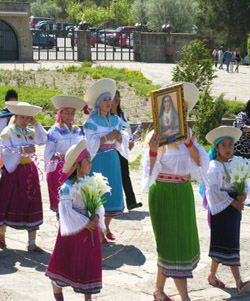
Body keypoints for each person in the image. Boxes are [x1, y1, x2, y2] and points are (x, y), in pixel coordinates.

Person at [142, 82, 209, 301]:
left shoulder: (188, 133)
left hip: (182, 193)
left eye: (187, 109)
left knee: (175, 243)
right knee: (172, 244)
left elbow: (200, 164)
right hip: (163, 192)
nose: (185, 113)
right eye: (182, 108)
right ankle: (185, 298)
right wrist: (152, 151)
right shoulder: (156, 135)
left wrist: (190, 145)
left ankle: (159, 291)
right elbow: (148, 173)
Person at [46, 139, 105, 301]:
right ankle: (57, 287)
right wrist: (85, 222)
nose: (90, 163)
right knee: (67, 263)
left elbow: (98, 202)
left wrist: (98, 216)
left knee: (88, 265)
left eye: (89, 160)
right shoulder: (67, 188)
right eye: (86, 160)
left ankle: (88, 297)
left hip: (89, 232)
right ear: (77, 164)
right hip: (73, 233)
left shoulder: (90, 182)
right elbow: (65, 211)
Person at [205, 126, 250, 294]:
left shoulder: (236, 163)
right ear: (216, 148)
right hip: (222, 209)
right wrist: (232, 202)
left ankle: (212, 275)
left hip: (234, 209)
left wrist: (244, 194)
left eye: (230, 144)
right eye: (223, 145)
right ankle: (239, 281)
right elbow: (214, 189)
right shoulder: (213, 166)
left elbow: (244, 179)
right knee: (229, 242)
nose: (227, 148)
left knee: (223, 243)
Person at [83, 78, 129, 245]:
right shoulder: (91, 122)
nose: (109, 103)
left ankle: (106, 227)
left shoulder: (116, 120)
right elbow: (88, 142)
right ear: (98, 103)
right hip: (99, 159)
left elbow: (124, 137)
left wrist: (119, 137)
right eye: (105, 100)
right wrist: (105, 138)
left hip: (113, 159)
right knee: (99, 194)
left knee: (112, 193)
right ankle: (100, 233)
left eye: (110, 100)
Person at [0, 101, 47, 251]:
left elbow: (43, 140)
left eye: (28, 118)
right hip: (13, 172)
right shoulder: (8, 132)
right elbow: (4, 149)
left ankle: (32, 243)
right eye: (22, 117)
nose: (25, 121)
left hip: (29, 172)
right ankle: (1, 237)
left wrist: (37, 123)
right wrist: (22, 149)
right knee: (7, 202)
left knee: (32, 203)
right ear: (16, 116)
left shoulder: (29, 132)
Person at [44, 96, 87, 213]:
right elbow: (48, 153)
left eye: (72, 113)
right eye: (67, 113)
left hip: (75, 169)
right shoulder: (54, 131)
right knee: (62, 202)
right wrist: (55, 155)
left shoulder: (77, 130)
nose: (69, 116)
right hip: (59, 171)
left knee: (77, 201)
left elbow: (83, 147)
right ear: (61, 113)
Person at [111, 90, 142, 210]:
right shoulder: (107, 116)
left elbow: (127, 129)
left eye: (118, 96)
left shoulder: (122, 114)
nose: (116, 99)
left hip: (123, 149)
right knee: (115, 176)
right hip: (113, 149)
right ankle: (116, 203)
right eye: (114, 97)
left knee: (125, 174)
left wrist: (130, 140)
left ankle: (131, 201)